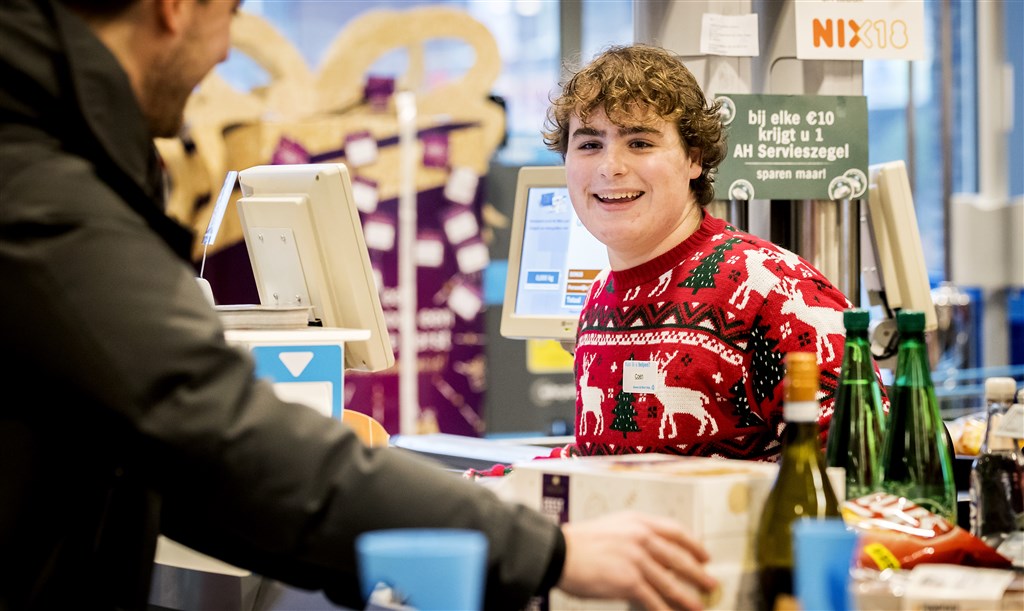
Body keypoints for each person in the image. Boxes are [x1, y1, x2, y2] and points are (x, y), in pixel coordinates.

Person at [0, 3, 718, 610]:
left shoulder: (41, 162)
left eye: (641, 142)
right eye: (229, 12)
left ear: (694, 159)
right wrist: (542, 547)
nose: (224, 52)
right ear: (175, 7)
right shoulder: (37, 186)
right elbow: (202, 434)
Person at [544, 44, 856, 460]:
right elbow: (600, 466)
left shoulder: (774, 288)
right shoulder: (600, 296)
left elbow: (864, 470)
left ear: (694, 158)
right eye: (589, 145)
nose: (610, 167)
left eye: (639, 143)